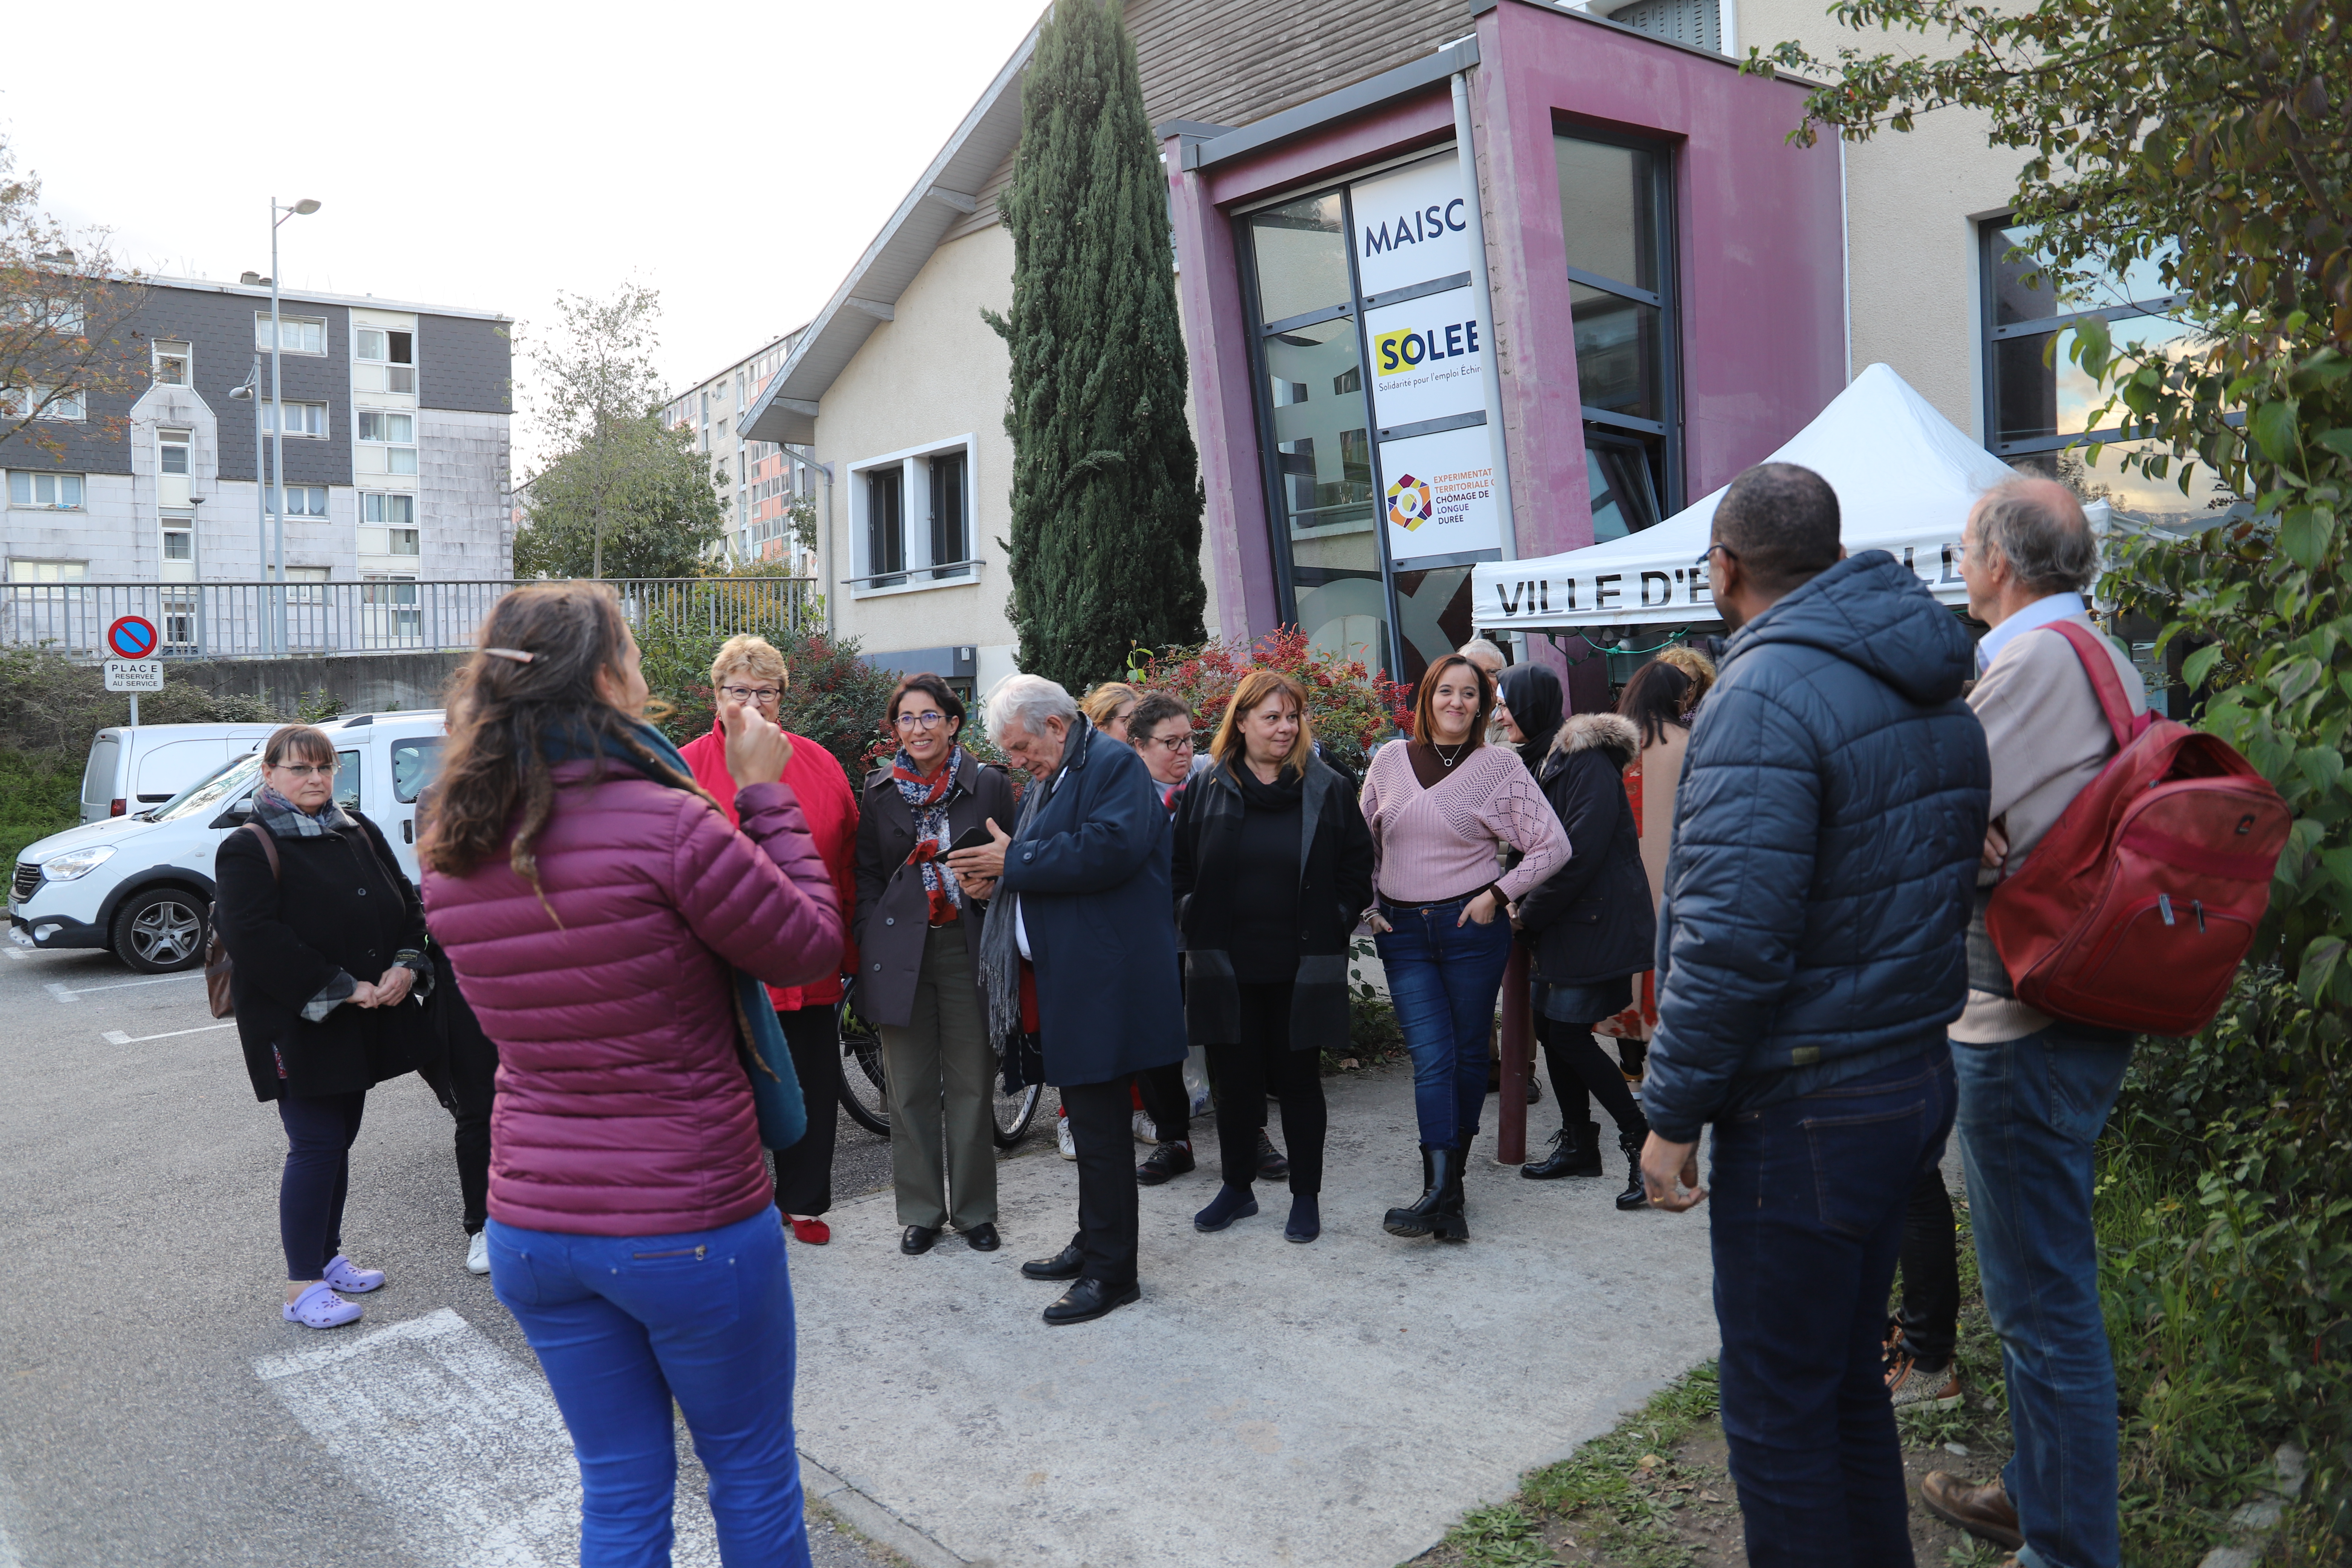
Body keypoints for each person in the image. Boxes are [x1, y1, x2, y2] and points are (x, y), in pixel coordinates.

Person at [420, 582, 843, 1564]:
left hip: (534, 1223)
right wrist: (765, 794)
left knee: (619, 1487)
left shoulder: (452, 844)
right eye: (635, 654)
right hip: (686, 1215)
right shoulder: (669, 824)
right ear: (607, 678)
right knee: (749, 1471)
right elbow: (808, 945)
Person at [1636, 463, 1987, 1568]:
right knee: (1840, 1385)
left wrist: (1669, 1113)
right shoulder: (1925, 673)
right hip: (1905, 1076)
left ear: (1725, 567)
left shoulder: (1764, 691)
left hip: (1810, 1098)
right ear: (1832, 555)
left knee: (1780, 1416)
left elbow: (1734, 938)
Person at [1916, 477, 2143, 1568]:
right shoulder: (2099, 653)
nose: (1960, 565)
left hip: (2020, 1022)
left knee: (2041, 1312)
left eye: (1965, 548)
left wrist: (1952, 823)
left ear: (2000, 562)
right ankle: (2035, 1499)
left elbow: (1918, 814)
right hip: (2075, 1006)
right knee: (2039, 1297)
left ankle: (2065, 1549)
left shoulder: (2032, 663)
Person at [943, 674, 1185, 1326]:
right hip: (1077, 978)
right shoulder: (1063, 767)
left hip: (1107, 983)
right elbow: (1052, 859)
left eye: (1021, 747)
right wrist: (997, 885)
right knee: (1087, 1120)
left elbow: (1109, 851)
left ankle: (1114, 1273)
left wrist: (1011, 862)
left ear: (1055, 725)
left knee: (1102, 1131)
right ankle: (1093, 1241)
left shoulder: (1111, 764)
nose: (1016, 762)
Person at [216, 723, 433, 1329]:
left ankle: (327, 1256)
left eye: (324, 768)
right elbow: (254, 937)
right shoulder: (250, 844)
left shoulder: (355, 828)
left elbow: (407, 902)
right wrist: (343, 986)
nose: (315, 779)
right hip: (300, 1022)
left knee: (339, 1143)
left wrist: (405, 966)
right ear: (269, 775)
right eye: (299, 769)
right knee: (314, 1146)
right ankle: (301, 1286)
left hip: (361, 1018)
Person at [1359, 654, 1568, 1241]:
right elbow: (1362, 844)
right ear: (1426, 699)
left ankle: (1448, 1194)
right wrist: (1368, 907)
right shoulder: (1390, 760)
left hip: (1471, 930)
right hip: (1403, 936)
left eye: (1470, 693)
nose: (1457, 702)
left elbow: (1552, 845)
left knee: (1471, 1054)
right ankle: (1438, 1190)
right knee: (1434, 1056)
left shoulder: (1497, 765)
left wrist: (1497, 893)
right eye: (1445, 691)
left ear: (1482, 704)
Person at [1171, 670, 1374, 1243]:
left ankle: (1305, 1197)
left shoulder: (1327, 788)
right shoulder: (1207, 786)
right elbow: (1177, 866)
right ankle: (1238, 1189)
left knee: (1300, 1084)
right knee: (1234, 1087)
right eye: (1273, 717)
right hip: (1224, 967)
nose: (1286, 728)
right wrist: (1191, 913)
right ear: (1242, 721)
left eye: (1293, 716)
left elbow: (1358, 870)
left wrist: (1333, 920)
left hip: (1300, 969)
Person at [678, 634, 861, 1247]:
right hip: (718, 971)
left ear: (784, 697)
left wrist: (850, 954)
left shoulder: (819, 762)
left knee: (810, 1082)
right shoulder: (683, 767)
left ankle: (804, 1202)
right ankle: (735, 1206)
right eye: (740, 691)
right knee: (723, 1095)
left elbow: (845, 865)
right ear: (717, 696)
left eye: (766, 692)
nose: (753, 704)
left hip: (806, 963)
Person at [851, 673, 1018, 1256]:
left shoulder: (991, 785)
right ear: (894, 728)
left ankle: (975, 1213)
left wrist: (993, 891)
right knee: (910, 1086)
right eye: (905, 718)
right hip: (900, 951)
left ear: (952, 724)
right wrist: (871, 935)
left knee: (973, 1084)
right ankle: (922, 1210)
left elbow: (1016, 862)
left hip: (967, 946)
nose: (917, 728)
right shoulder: (878, 792)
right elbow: (867, 874)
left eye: (929, 717)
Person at [1507, 678, 1656, 1209]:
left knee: (1567, 1034)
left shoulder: (1584, 760)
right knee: (1551, 1028)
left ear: (1530, 705)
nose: (1500, 716)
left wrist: (1529, 911)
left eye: (1505, 705)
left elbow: (1577, 852)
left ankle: (1643, 1144)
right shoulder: (1542, 758)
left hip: (1591, 919)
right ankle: (1579, 1145)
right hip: (1567, 922)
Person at [1592, 651, 1714, 1093]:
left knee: (1624, 966)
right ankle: (1675, 1070)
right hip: (1681, 877)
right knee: (1678, 968)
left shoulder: (1604, 744)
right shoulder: (1696, 742)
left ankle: (1631, 1071)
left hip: (1617, 878)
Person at [1129, 690, 1203, 1187]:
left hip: (1216, 932)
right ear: (1138, 745)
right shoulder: (1121, 795)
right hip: (1153, 938)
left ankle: (1254, 1133)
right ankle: (1174, 1138)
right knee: (1155, 1043)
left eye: (1189, 741)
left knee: (1233, 1035)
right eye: (1170, 743)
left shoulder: (1214, 782)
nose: (1184, 752)